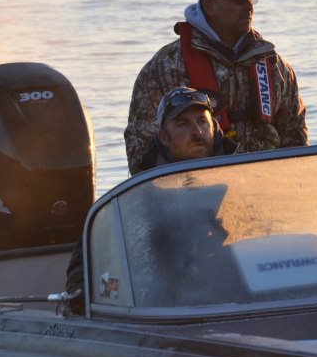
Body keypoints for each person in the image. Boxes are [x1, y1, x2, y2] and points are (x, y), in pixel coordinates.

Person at [64, 87, 238, 313]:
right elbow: (87, 258)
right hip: (165, 310)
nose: (197, 131)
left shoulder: (243, 181)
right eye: (183, 124)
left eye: (202, 122)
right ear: (164, 137)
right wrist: (80, 292)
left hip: (240, 300)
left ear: (214, 127)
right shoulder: (140, 195)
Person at [124, 0, 308, 176]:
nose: (248, 6)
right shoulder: (165, 67)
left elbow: (297, 137)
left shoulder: (274, 65)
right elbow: (141, 151)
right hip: (196, 189)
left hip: (269, 184)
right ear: (209, 6)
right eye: (238, 0)